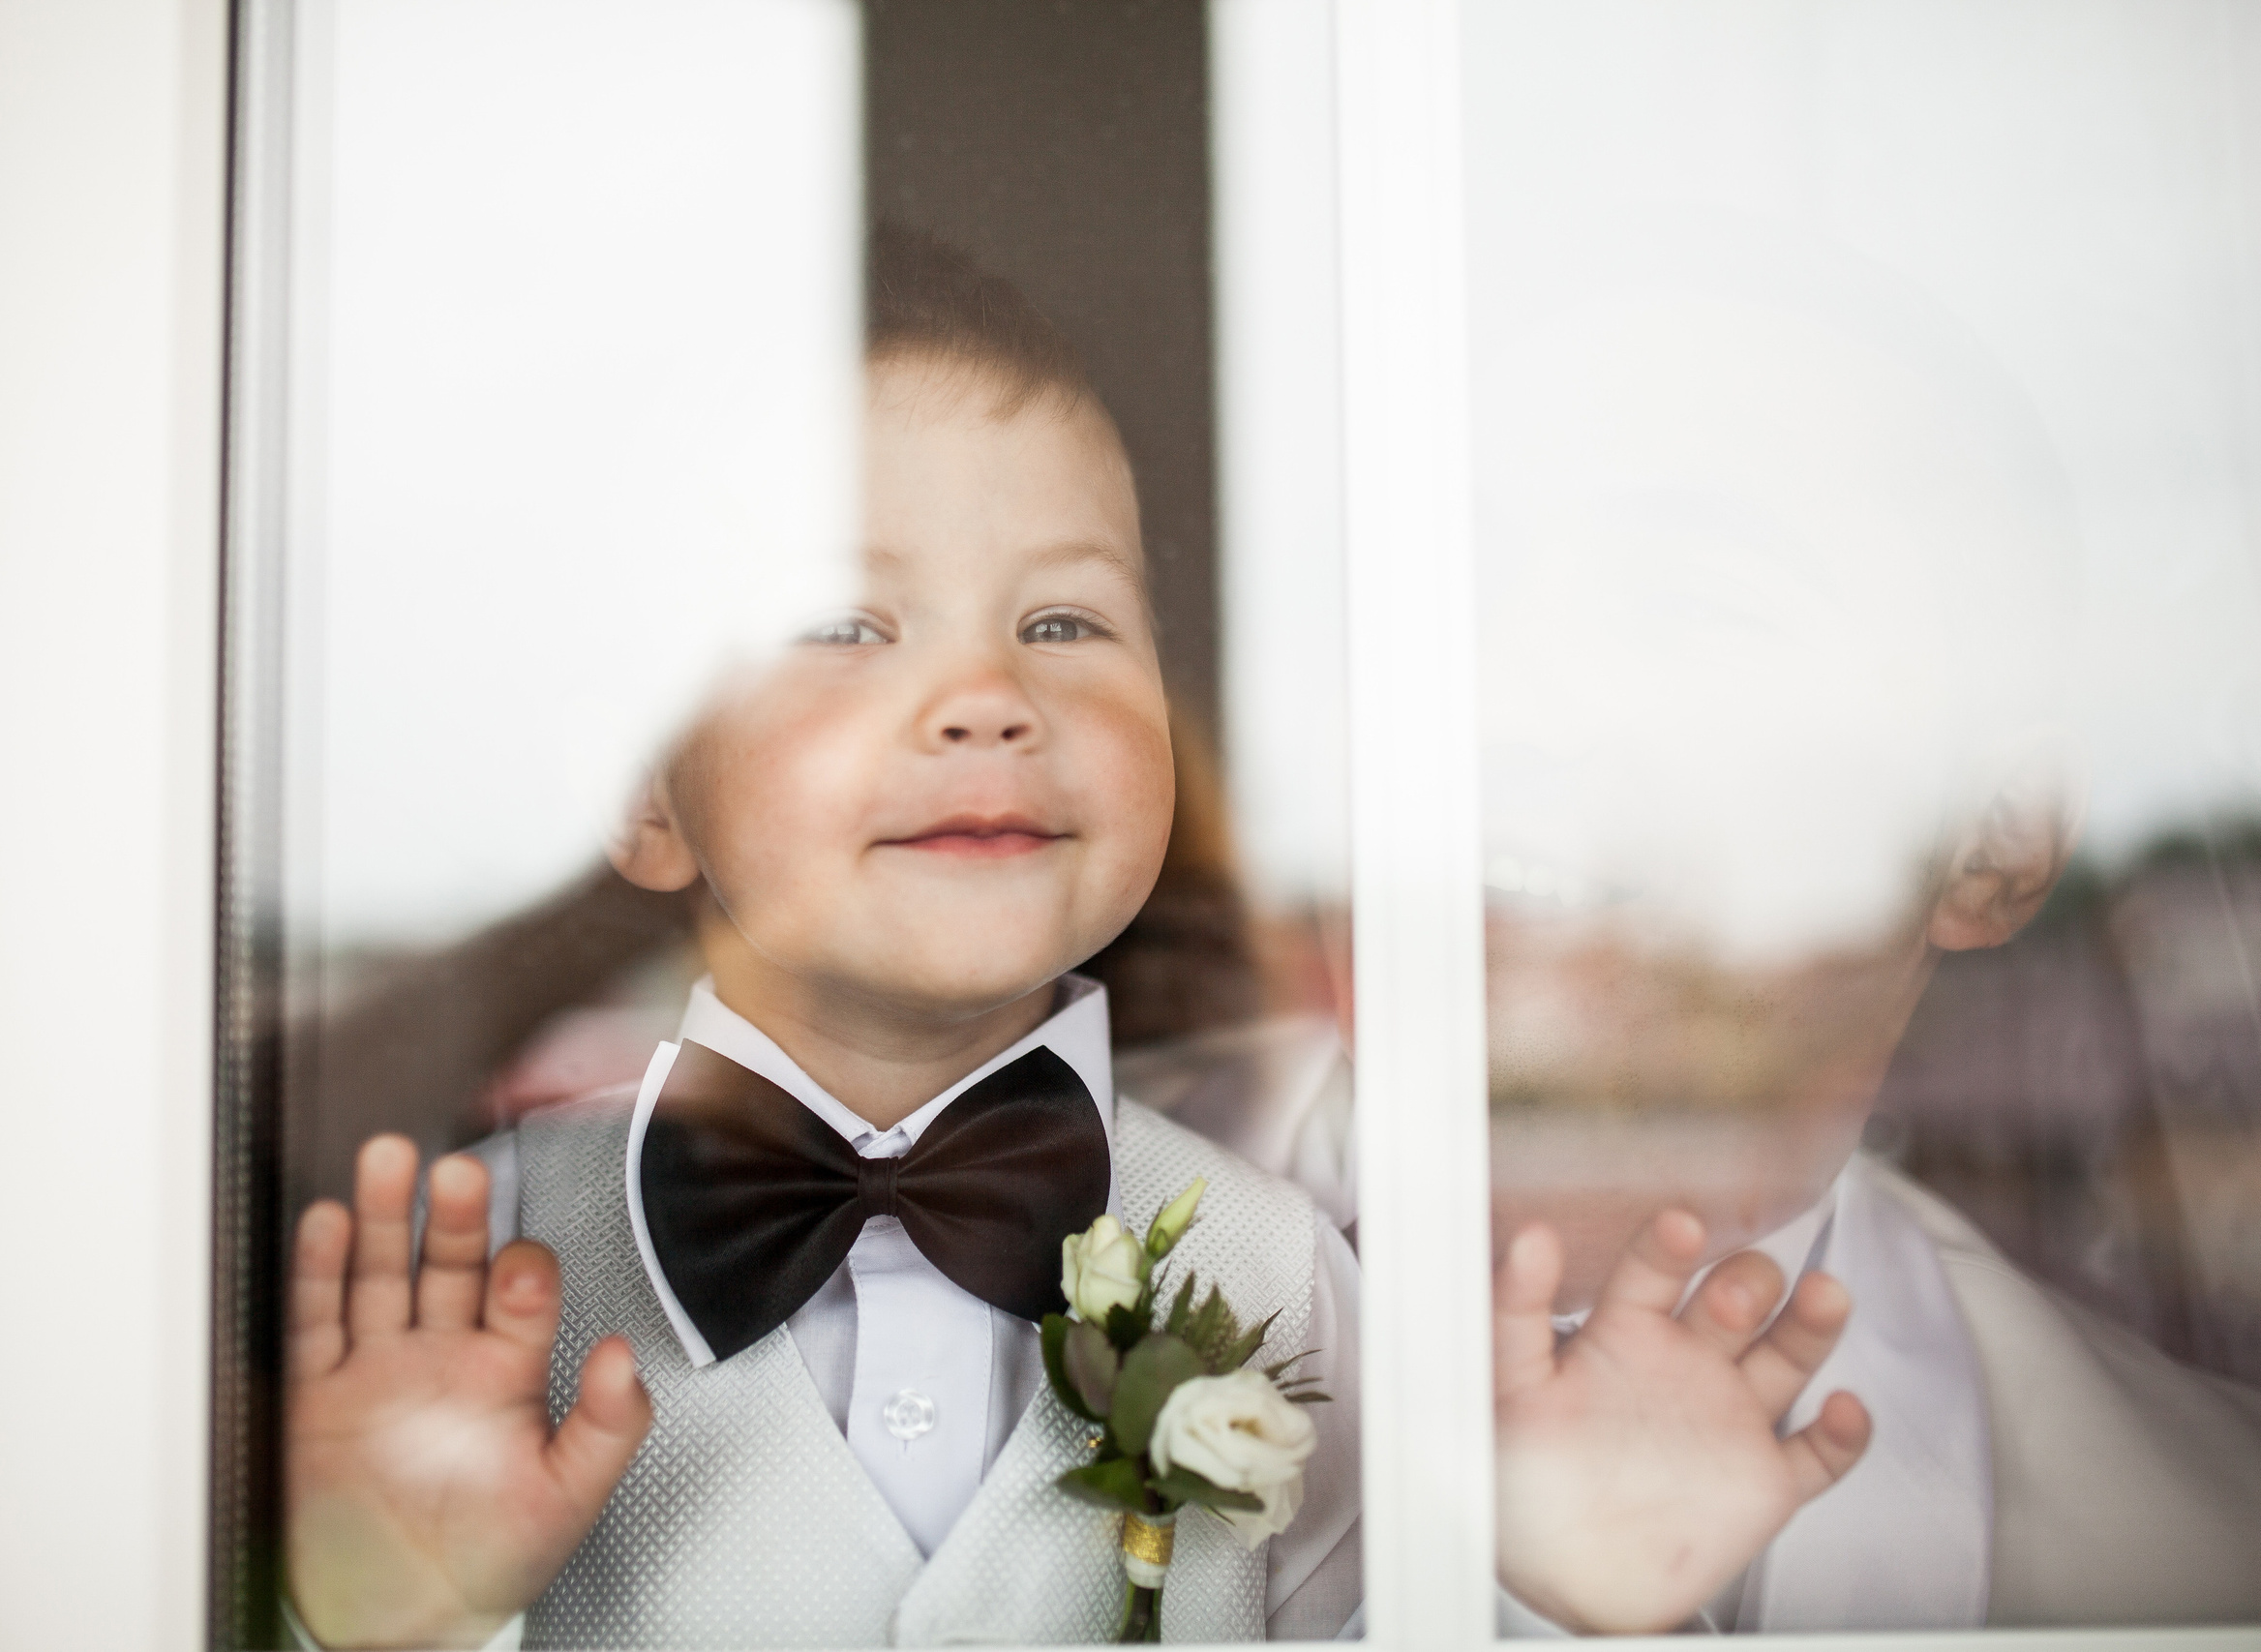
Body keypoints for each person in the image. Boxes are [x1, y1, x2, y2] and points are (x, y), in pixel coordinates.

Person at [278, 226, 1871, 1647]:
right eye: (843, 623)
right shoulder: (464, 1275)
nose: (989, 698)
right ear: (645, 794)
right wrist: (399, 1625)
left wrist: (1555, 1597)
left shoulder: (1284, 1267)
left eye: (1065, 623)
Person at [1470, 219, 2261, 1632]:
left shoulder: (2210, 1528)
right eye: (1456, 595)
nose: (1493, 703)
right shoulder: (1035, 1264)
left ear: (1999, 840)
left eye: (1683, 604)